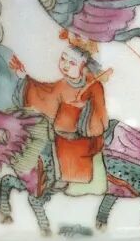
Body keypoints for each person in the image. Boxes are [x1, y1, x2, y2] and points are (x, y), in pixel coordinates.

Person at [9, 34, 108, 196]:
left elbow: (99, 114)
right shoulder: (63, 83)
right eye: (63, 59)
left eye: (72, 63)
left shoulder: (94, 86)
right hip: (61, 131)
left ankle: (71, 180)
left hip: (83, 134)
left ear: (83, 66)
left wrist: (84, 113)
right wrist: (24, 77)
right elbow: (44, 92)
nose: (65, 65)